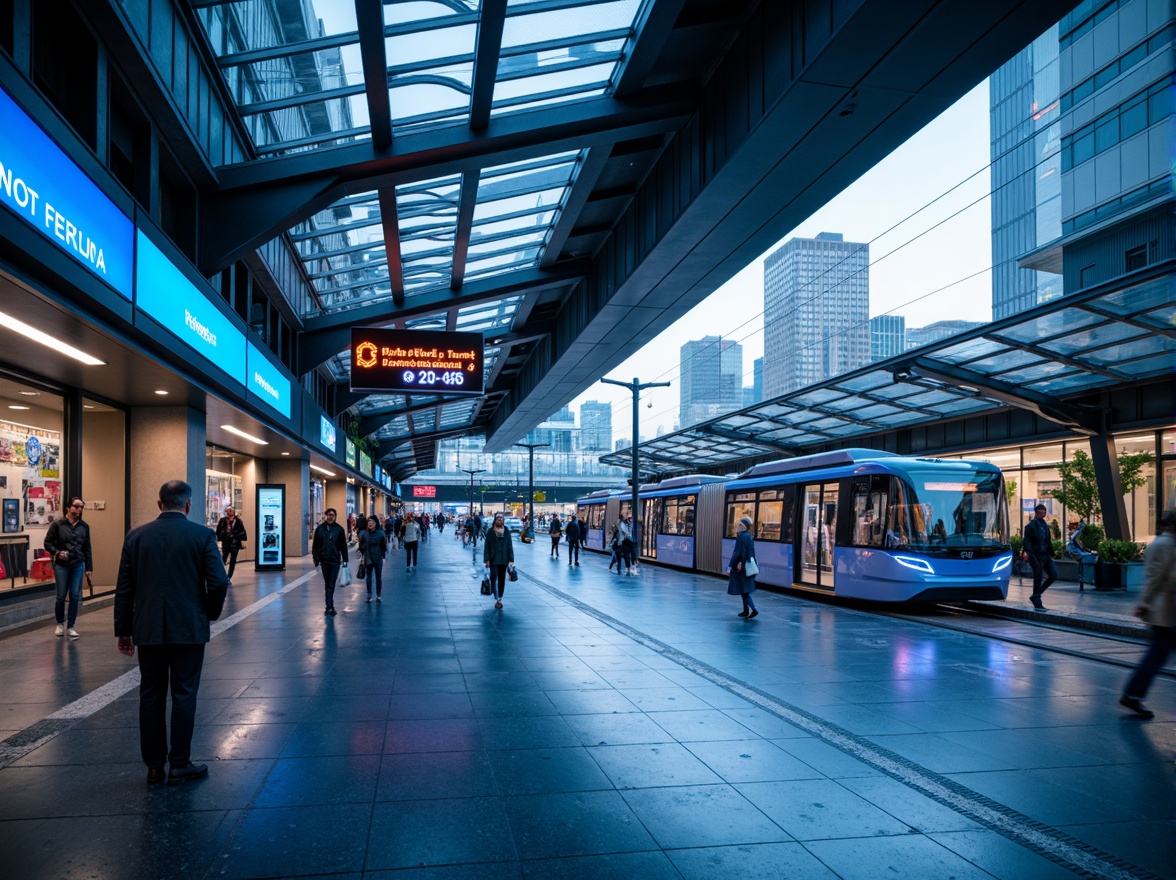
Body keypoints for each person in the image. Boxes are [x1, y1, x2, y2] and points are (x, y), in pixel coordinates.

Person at [114, 479, 227, 786]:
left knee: (150, 695)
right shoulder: (202, 535)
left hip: (147, 627)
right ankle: (179, 764)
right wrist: (208, 612)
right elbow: (218, 582)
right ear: (188, 505)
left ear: (159, 504)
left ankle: (153, 766)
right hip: (188, 627)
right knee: (184, 694)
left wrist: (123, 630)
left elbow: (124, 589)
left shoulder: (136, 537)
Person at [1120, 510, 1176, 718]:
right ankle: (1132, 694)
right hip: (1164, 609)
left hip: (1165, 609)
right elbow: (1155, 578)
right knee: (1157, 654)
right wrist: (1143, 603)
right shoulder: (1165, 545)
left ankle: (1133, 694)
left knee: (1158, 653)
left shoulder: (1162, 544)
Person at [45, 496, 93, 639]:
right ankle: (60, 623)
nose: (79, 509)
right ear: (68, 507)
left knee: (75, 596)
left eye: (81, 507)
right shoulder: (58, 525)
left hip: (78, 564)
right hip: (61, 565)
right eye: (76, 506)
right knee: (60, 596)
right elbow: (47, 543)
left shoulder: (84, 526)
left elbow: (87, 547)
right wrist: (57, 552)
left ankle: (71, 626)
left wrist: (89, 567)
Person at [312, 508, 347, 616]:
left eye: (332, 515)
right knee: (328, 583)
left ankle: (329, 606)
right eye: (328, 515)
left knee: (331, 583)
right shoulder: (320, 529)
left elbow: (343, 546)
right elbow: (315, 546)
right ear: (325, 516)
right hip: (324, 560)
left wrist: (345, 560)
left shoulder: (339, 530)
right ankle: (329, 605)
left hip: (335, 560)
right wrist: (316, 559)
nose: (330, 517)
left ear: (335, 516)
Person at [1022, 504, 1057, 611]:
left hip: (1045, 555)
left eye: (1044, 512)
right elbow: (1027, 541)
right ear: (1036, 513)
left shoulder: (1045, 526)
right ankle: (1037, 600)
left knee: (1054, 575)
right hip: (1035, 555)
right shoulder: (1030, 526)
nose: (1043, 514)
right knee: (1038, 577)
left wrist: (1052, 553)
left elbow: (1048, 541)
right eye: (1040, 512)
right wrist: (1029, 553)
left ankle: (1036, 594)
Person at [727, 515, 759, 618]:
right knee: (743, 589)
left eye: (740, 524)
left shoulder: (742, 537)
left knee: (743, 590)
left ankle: (753, 609)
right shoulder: (748, 536)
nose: (738, 526)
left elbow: (738, 552)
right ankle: (745, 611)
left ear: (744, 526)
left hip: (741, 567)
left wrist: (732, 565)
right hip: (746, 565)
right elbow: (750, 551)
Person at [483, 512, 515, 610]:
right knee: (493, 577)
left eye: (501, 518)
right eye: (498, 518)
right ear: (495, 520)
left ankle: (499, 598)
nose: (500, 520)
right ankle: (495, 592)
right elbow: (487, 546)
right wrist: (486, 559)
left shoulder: (506, 531)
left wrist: (511, 560)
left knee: (501, 580)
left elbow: (510, 545)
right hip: (493, 559)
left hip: (504, 560)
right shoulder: (490, 532)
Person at [214, 507, 247, 586]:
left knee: (233, 560)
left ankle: (228, 577)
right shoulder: (223, 521)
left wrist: (235, 535)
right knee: (223, 559)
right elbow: (218, 531)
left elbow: (242, 532)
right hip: (226, 542)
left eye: (231, 511)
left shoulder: (238, 521)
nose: (229, 512)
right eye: (228, 511)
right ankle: (222, 575)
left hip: (235, 543)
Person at [358, 515, 387, 602]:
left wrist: (383, 556)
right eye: (369, 522)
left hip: (378, 558)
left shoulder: (381, 533)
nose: (370, 523)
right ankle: (369, 593)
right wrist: (362, 551)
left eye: (372, 522)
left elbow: (383, 546)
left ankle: (378, 594)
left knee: (378, 577)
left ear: (376, 524)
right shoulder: (364, 534)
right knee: (369, 577)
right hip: (368, 558)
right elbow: (361, 545)